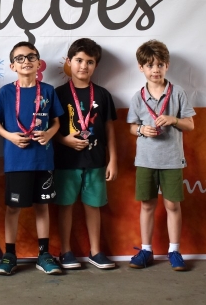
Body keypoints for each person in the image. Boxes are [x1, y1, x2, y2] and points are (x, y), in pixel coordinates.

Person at [0, 41, 63, 275]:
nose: (26, 61)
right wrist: (10, 136)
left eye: (31, 57)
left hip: (43, 160)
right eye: (20, 58)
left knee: (42, 206)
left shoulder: (48, 90)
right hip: (17, 161)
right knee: (13, 208)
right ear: (13, 66)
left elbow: (56, 122)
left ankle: (44, 254)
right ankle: (9, 254)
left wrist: (49, 134)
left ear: (39, 63)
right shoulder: (6, 92)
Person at [127, 39, 194, 271]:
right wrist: (142, 130)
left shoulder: (178, 93)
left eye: (160, 64)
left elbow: (190, 124)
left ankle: (174, 251)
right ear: (141, 67)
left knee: (172, 205)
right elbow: (131, 127)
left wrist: (174, 120)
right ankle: (146, 250)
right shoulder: (138, 97)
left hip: (172, 159)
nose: (155, 69)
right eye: (150, 65)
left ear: (167, 65)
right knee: (147, 205)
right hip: (146, 160)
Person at [53, 38, 117, 270]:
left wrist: (113, 160)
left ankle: (96, 252)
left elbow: (109, 129)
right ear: (69, 62)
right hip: (65, 161)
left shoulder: (102, 94)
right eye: (79, 60)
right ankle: (65, 251)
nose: (83, 66)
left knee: (93, 205)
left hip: (96, 161)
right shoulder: (58, 94)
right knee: (65, 206)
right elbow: (51, 129)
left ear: (95, 65)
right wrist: (64, 140)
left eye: (89, 62)